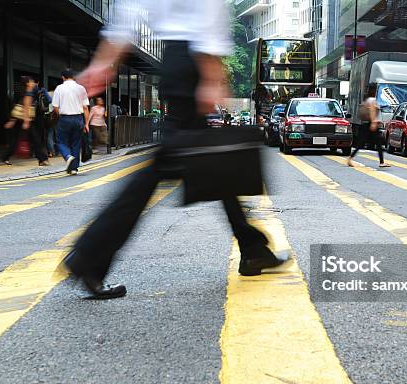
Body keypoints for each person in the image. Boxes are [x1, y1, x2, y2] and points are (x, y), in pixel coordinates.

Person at [57, 0, 288, 299]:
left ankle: (252, 247)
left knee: (212, 159)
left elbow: (127, 13)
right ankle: (89, 256)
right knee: (167, 167)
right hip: (191, 61)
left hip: (176, 60)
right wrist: (210, 73)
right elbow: (207, 12)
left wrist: (105, 61)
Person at [0, 76, 50, 166]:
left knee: (19, 140)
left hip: (21, 120)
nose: (33, 83)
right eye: (31, 81)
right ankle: (42, 159)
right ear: (27, 83)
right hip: (25, 120)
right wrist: (26, 122)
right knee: (35, 140)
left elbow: (18, 107)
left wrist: (13, 120)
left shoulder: (26, 93)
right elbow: (26, 107)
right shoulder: (28, 94)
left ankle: (5, 157)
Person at [52, 69, 90, 175]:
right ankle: (74, 169)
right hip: (78, 119)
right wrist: (86, 123)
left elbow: (55, 107)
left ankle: (68, 156)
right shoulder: (81, 88)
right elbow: (85, 108)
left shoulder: (59, 88)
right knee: (76, 143)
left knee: (60, 141)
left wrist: (61, 115)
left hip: (64, 118)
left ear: (63, 77)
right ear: (73, 77)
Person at [347, 95, 390, 168]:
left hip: (366, 124)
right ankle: (381, 162)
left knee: (364, 143)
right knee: (377, 143)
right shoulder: (372, 100)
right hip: (370, 124)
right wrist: (374, 122)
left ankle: (350, 158)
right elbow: (372, 110)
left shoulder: (367, 100)